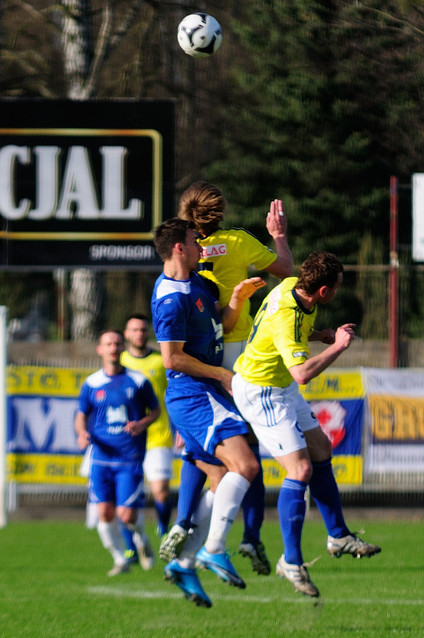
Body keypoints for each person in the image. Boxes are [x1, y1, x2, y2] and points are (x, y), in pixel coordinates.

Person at [160, 182, 293, 575]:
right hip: (236, 350)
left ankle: (185, 522)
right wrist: (279, 238)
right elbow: (284, 269)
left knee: (204, 450)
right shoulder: (236, 241)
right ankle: (247, 536)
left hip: (200, 347)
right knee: (247, 450)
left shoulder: (179, 257)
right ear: (219, 212)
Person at [231, 251, 381, 598]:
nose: (339, 292)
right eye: (338, 287)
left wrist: (320, 336)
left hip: (278, 382)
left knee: (320, 450)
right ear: (324, 291)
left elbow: (285, 338)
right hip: (262, 390)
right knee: (299, 471)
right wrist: (339, 347)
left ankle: (338, 535)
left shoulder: (290, 286)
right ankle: (291, 561)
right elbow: (302, 373)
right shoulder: (288, 313)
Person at [151, 217, 266, 607]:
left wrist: (236, 300)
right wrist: (220, 373)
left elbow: (221, 322)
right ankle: (213, 547)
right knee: (247, 467)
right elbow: (172, 359)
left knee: (220, 483)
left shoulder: (198, 283)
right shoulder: (170, 298)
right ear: (179, 248)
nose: (202, 246)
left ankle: (183, 563)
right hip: (195, 395)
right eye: (194, 241)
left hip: (206, 391)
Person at [74, 329, 161, 576]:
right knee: (104, 512)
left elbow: (155, 411)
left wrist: (141, 424)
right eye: (108, 344)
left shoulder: (138, 380)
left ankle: (142, 539)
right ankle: (119, 558)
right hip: (100, 459)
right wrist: (82, 433)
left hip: (129, 458)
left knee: (126, 515)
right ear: (100, 349)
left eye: (117, 343)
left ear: (123, 348)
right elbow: (81, 417)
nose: (113, 348)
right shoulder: (91, 383)